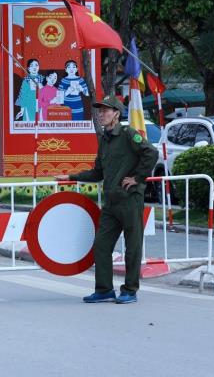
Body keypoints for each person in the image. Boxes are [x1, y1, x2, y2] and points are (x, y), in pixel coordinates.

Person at [54, 95, 157, 304]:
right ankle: (104, 290)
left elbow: (151, 153)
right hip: (111, 203)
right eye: (99, 111)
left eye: (105, 111)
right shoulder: (104, 140)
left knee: (133, 247)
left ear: (116, 114)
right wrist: (71, 177)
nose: (101, 114)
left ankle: (130, 290)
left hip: (129, 200)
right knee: (101, 245)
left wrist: (137, 178)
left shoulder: (128, 134)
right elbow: (97, 172)